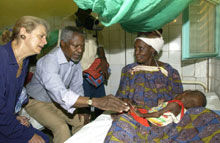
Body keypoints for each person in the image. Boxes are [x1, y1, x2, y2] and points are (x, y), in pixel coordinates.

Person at [25, 26, 130, 143]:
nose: (80, 50)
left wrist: (83, 109)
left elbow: (77, 87)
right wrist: (93, 101)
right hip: (35, 102)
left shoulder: (74, 61)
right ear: (63, 44)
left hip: (54, 101)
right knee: (61, 127)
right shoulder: (49, 61)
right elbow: (61, 95)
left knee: (81, 120)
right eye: (75, 46)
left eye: (82, 46)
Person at [104, 30, 183, 142]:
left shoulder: (169, 72)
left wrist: (165, 104)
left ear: (152, 49)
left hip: (160, 118)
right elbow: (119, 98)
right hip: (133, 116)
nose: (136, 52)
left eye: (141, 48)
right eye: (135, 48)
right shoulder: (129, 70)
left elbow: (179, 101)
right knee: (119, 128)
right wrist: (126, 101)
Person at [0, 16, 49, 143]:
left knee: (44, 138)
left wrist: (15, 117)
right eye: (41, 36)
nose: (45, 42)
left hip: (5, 121)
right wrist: (26, 136)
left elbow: (7, 102)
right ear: (23, 33)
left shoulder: (24, 62)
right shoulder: (2, 59)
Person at [60, 8, 109, 119]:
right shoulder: (67, 22)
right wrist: (80, 27)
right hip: (79, 73)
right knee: (83, 109)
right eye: (86, 8)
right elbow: (63, 48)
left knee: (101, 105)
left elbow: (100, 43)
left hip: (95, 71)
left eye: (90, 9)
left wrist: (103, 59)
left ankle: (100, 131)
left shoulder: (92, 20)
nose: (88, 11)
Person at [130, 90, 207, 127]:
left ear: (185, 93)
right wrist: (160, 105)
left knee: (128, 111)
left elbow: (157, 114)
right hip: (152, 121)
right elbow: (165, 115)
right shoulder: (183, 111)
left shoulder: (174, 105)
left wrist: (141, 114)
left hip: (148, 122)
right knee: (132, 108)